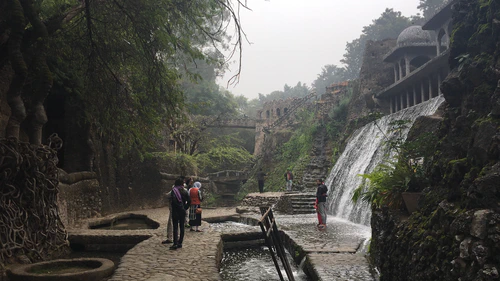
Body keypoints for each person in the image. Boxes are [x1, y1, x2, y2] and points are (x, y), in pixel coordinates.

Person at [170, 178, 191, 250]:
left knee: (175, 227)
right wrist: (185, 207)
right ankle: (180, 243)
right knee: (182, 227)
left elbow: (173, 200)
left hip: (175, 211)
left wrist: (178, 207)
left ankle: (175, 243)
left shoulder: (174, 191)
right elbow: (189, 201)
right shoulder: (185, 191)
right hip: (182, 211)